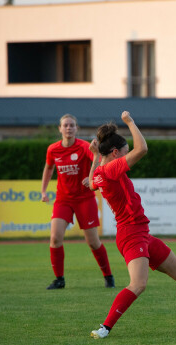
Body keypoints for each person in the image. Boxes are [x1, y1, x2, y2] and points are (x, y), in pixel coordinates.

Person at [89, 111, 176, 339]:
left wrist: (94, 157)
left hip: (140, 233)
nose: (126, 156)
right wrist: (130, 122)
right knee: (138, 284)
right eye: (123, 152)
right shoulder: (112, 169)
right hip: (132, 234)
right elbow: (142, 149)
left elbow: (91, 184)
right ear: (115, 153)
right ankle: (104, 328)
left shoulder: (100, 173)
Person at [41, 114, 115, 290]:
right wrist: (43, 190)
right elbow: (48, 168)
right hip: (63, 200)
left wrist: (92, 178)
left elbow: (99, 162)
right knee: (55, 238)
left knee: (93, 242)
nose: (68, 128)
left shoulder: (84, 147)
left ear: (76, 128)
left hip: (84, 199)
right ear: (60, 129)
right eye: (65, 125)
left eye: (71, 125)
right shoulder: (53, 149)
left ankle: (108, 276)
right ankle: (59, 279)